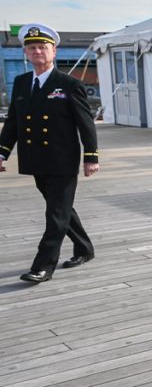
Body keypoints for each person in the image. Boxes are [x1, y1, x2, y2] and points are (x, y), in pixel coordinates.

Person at [0, 23, 99, 283]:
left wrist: (91, 156)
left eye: (42, 47)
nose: (37, 52)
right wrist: (2, 152)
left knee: (55, 213)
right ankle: (84, 248)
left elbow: (85, 123)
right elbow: (13, 121)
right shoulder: (22, 83)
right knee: (60, 209)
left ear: (54, 51)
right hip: (35, 159)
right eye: (32, 48)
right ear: (26, 53)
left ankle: (43, 266)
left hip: (62, 160)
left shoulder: (68, 84)